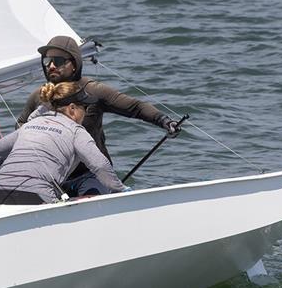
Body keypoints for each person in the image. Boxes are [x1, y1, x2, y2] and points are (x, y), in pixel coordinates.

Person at [16, 35, 180, 196]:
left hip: (91, 175)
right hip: (53, 180)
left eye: (58, 61)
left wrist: (164, 121)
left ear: (74, 64)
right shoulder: (39, 97)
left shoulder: (93, 91)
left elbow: (135, 107)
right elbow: (21, 126)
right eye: (46, 61)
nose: (51, 66)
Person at [0, 82, 125, 206]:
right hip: (36, 197)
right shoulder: (76, 131)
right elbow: (100, 165)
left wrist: (1, 185)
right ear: (72, 108)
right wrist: (122, 191)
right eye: (85, 107)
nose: (86, 112)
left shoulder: (30, 125)